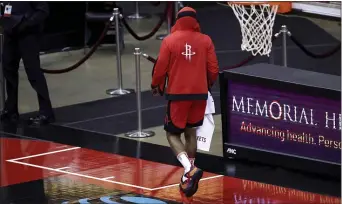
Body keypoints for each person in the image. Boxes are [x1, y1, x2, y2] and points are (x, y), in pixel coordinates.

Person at [151, 6, 219, 201]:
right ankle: (188, 177)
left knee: (172, 133)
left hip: (178, 95)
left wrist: (156, 85)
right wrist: (208, 85)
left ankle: (190, 168)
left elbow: (160, 68)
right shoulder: (206, 40)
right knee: (191, 133)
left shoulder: (169, 41)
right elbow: (213, 69)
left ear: (178, 20)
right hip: (199, 95)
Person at [0, 2, 55, 125]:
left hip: (28, 34)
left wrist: (26, 24)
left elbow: (43, 11)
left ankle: (46, 112)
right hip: (10, 32)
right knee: (8, 68)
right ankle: (11, 109)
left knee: (33, 72)